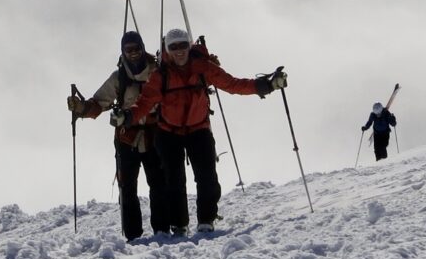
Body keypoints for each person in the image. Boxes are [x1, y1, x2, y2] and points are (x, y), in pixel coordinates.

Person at [128, 27, 286, 234]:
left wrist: (265, 85)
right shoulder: (161, 75)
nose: (179, 51)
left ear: (190, 46)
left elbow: (232, 84)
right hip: (168, 133)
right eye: (173, 47)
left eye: (183, 45)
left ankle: (206, 219)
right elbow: (145, 102)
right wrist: (127, 117)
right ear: (167, 50)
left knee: (207, 177)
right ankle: (179, 223)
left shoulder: (203, 68)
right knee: (173, 180)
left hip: (198, 129)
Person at [67, 31, 165, 242]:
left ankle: (163, 230)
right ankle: (133, 235)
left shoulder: (157, 72)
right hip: (126, 139)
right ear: (123, 51)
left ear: (142, 48)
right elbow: (98, 103)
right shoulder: (118, 78)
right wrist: (81, 107)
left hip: (154, 136)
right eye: (128, 49)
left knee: (158, 183)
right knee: (127, 187)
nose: (133, 53)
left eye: (136, 48)